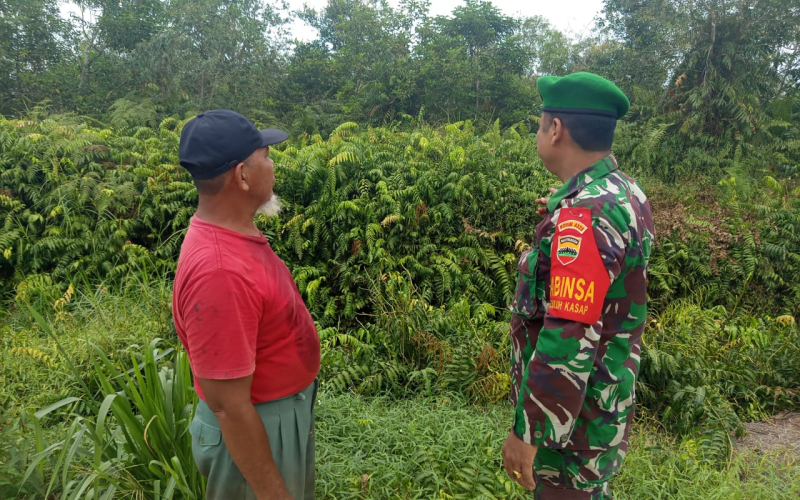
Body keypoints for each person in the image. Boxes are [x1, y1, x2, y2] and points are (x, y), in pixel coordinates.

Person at [501, 73, 655, 499]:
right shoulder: (623, 192)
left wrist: (530, 431)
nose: (539, 132)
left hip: (570, 432)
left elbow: (568, 334)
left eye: (539, 123)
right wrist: (562, 207)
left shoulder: (584, 216)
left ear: (555, 130)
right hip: (599, 407)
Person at [172, 109, 321, 500]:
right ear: (241, 175)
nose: (272, 165)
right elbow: (229, 407)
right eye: (266, 156)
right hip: (255, 425)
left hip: (274, 415)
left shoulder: (233, 231)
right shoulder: (219, 271)